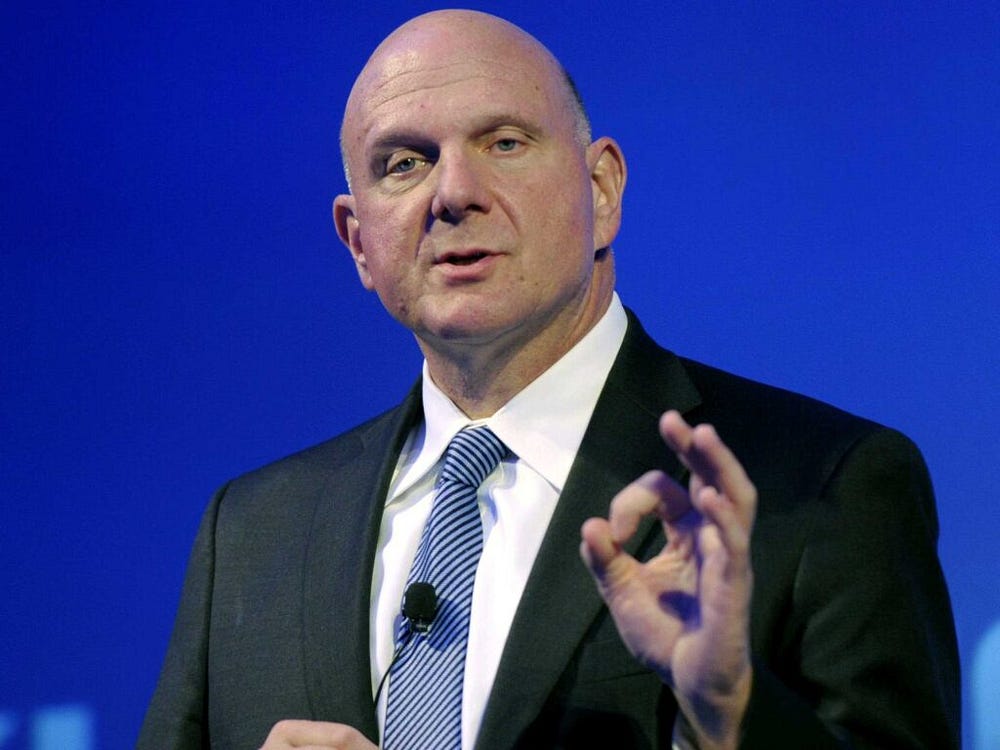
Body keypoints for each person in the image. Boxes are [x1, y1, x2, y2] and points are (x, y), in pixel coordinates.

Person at [138, 9, 959, 749]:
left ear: (601, 190)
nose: (454, 194)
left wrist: (729, 711)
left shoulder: (821, 487)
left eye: (504, 143)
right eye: (404, 162)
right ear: (358, 241)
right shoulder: (252, 534)